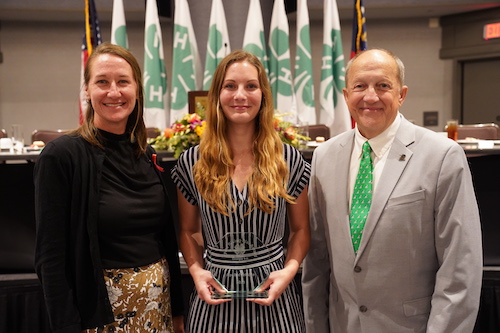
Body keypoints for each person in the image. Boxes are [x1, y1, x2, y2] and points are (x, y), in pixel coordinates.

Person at [301, 48, 482, 332]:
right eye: (360, 86)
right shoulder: (323, 156)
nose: (370, 96)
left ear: (401, 94)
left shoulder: (442, 155)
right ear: (347, 95)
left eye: (383, 86)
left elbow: (460, 268)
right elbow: (317, 263)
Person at [34, 43, 184, 333]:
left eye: (123, 82)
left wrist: (177, 310)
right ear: (87, 90)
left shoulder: (145, 152)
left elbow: (164, 239)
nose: (114, 92)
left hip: (157, 307)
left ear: (137, 90)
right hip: (100, 315)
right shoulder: (61, 156)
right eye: (102, 82)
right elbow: (50, 258)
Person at [171, 49, 310, 332]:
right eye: (230, 86)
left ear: (263, 95)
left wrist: (289, 272)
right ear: (217, 95)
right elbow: (188, 231)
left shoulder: (289, 159)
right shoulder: (192, 161)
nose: (240, 95)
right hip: (214, 295)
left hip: (274, 294)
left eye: (250, 86)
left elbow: (301, 230)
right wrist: (197, 272)